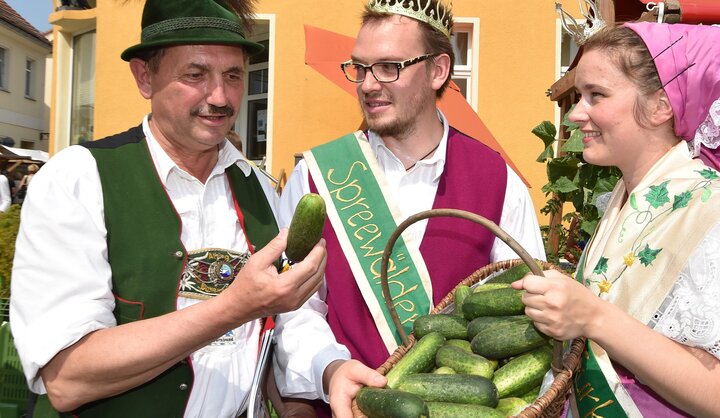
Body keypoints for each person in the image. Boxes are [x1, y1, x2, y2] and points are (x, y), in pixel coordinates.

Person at [10, 1, 328, 417]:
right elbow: (68, 378)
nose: (220, 96)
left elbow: (268, 340)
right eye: (195, 74)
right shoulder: (78, 178)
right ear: (145, 77)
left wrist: (299, 404)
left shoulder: (262, 190)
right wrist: (235, 307)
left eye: (233, 75)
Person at [513, 21, 720, 417]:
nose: (576, 114)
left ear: (662, 105)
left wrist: (595, 318)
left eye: (596, 95)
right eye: (579, 95)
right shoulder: (628, 201)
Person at [272, 0, 545, 416]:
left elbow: (520, 317)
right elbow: (294, 307)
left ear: (438, 70)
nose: (366, 84)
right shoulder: (315, 176)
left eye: (388, 67)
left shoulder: (498, 180)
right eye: (359, 68)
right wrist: (329, 369)